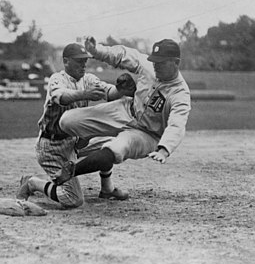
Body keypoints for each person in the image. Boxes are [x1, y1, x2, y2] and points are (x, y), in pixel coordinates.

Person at [52, 36, 191, 194]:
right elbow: (122, 55)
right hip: (125, 110)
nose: (156, 65)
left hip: (146, 134)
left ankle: (71, 171)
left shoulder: (180, 93)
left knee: (115, 150)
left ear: (176, 63)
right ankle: (94, 139)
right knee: (67, 121)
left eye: (162, 62)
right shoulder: (148, 66)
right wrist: (96, 50)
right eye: (155, 61)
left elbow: (177, 124)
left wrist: (164, 149)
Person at [16, 42, 133, 209]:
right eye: (79, 61)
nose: (83, 64)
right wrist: (84, 94)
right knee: (73, 200)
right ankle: (32, 183)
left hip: (75, 142)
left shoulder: (89, 79)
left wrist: (121, 90)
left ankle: (107, 189)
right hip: (52, 147)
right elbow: (61, 97)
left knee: (111, 146)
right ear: (66, 62)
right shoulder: (57, 79)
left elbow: (109, 92)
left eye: (85, 60)